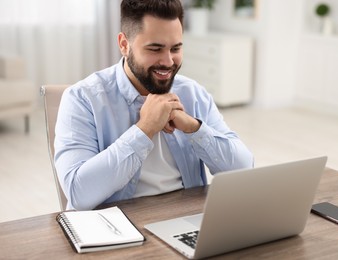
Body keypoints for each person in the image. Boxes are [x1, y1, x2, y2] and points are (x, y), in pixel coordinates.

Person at [54, 0, 254, 210]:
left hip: (187, 221)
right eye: (155, 49)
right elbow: (79, 193)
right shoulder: (81, 99)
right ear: (124, 45)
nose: (168, 61)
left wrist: (193, 127)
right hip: (117, 230)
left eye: (175, 48)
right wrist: (144, 129)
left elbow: (243, 169)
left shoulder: (193, 93)